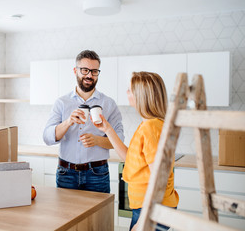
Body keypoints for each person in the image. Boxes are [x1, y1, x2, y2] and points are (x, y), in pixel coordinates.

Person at [93, 71, 179, 231]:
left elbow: (159, 176)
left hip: (152, 211)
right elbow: (129, 158)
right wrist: (107, 128)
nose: (127, 92)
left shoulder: (150, 128)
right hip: (152, 208)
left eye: (130, 90)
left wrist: (144, 220)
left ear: (141, 95)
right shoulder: (151, 124)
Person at [43, 50, 124, 193]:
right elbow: (47, 138)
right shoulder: (62, 103)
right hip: (66, 173)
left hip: (97, 174)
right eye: (85, 70)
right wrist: (67, 122)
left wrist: (98, 141)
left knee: (99, 215)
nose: (89, 75)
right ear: (75, 71)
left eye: (94, 71)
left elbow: (119, 141)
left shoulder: (109, 104)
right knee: (66, 215)